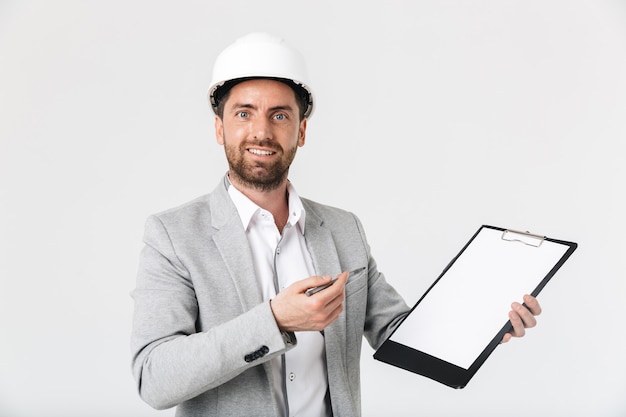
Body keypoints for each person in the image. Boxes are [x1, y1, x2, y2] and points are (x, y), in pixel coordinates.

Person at [130, 32, 542, 417]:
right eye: (244, 113)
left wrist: (484, 324)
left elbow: (397, 334)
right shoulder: (173, 235)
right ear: (220, 128)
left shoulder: (344, 229)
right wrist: (274, 320)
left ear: (301, 130)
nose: (261, 130)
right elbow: (155, 378)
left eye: (279, 115)